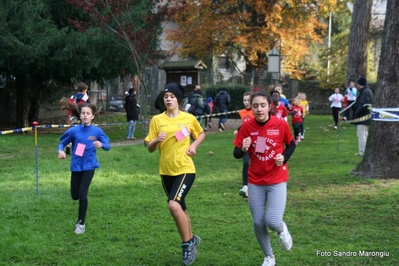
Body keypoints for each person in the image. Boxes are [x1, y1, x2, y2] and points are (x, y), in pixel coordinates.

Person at [144, 82, 205, 265]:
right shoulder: (157, 120)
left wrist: (193, 145)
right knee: (181, 208)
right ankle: (193, 239)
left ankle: (187, 245)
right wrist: (156, 140)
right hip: (166, 171)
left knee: (173, 205)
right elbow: (150, 148)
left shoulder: (188, 118)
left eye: (172, 96)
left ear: (178, 99)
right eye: (166, 96)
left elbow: (201, 133)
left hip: (185, 169)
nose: (168, 99)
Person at [233, 90, 296, 266]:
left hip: (277, 179)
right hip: (255, 181)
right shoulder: (247, 127)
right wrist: (244, 149)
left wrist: (284, 157)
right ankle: (269, 257)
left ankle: (282, 230)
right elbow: (236, 153)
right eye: (255, 106)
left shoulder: (280, 124)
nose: (259, 109)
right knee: (258, 222)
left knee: (273, 221)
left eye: (262, 105)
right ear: (250, 108)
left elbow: (291, 144)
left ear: (269, 106)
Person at [57, 103, 110, 234]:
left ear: (93, 116)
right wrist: (61, 151)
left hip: (89, 166)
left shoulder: (97, 131)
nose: (85, 115)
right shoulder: (73, 131)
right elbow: (62, 142)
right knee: (75, 196)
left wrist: (102, 144)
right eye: (83, 113)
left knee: (82, 193)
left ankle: (81, 223)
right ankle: (80, 220)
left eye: (88, 113)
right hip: (76, 166)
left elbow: (108, 146)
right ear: (80, 115)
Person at [61, 82, 91, 154]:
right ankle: (79, 151)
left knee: (74, 131)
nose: (86, 91)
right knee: (82, 133)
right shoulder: (85, 97)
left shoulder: (72, 97)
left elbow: (69, 107)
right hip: (81, 116)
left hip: (72, 116)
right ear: (84, 89)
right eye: (86, 90)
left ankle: (69, 144)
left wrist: (68, 117)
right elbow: (89, 107)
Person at [235, 91, 254, 198]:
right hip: (245, 142)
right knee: (246, 163)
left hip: (256, 142)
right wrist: (239, 130)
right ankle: (245, 186)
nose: (246, 102)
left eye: (248, 100)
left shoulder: (257, 111)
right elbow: (245, 124)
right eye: (244, 100)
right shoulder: (242, 112)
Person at [352, 77, 373, 157]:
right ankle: (365, 151)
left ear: (359, 84)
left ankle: (362, 152)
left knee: (361, 134)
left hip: (363, 116)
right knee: (365, 133)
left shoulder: (364, 92)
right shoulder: (368, 91)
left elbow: (362, 105)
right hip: (366, 115)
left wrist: (357, 113)